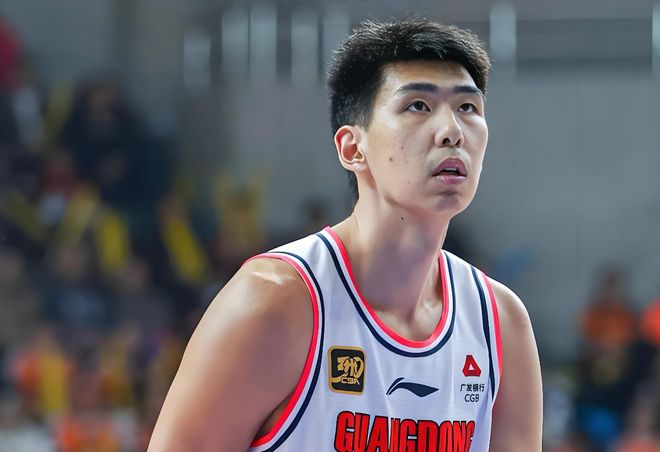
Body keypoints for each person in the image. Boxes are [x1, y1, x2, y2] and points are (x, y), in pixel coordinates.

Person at [148, 17, 543, 451]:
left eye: (467, 108)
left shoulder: (500, 323)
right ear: (352, 148)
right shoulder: (273, 303)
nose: (452, 131)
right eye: (418, 106)